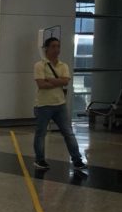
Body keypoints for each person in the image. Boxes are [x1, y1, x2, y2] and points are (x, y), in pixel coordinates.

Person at [33, 37, 85, 170]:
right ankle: (40, 160)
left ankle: (77, 160)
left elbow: (65, 81)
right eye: (53, 47)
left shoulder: (64, 65)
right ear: (47, 49)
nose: (56, 50)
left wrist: (50, 80)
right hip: (43, 105)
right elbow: (41, 84)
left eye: (58, 46)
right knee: (41, 133)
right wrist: (58, 81)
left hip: (60, 105)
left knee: (68, 133)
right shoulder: (40, 65)